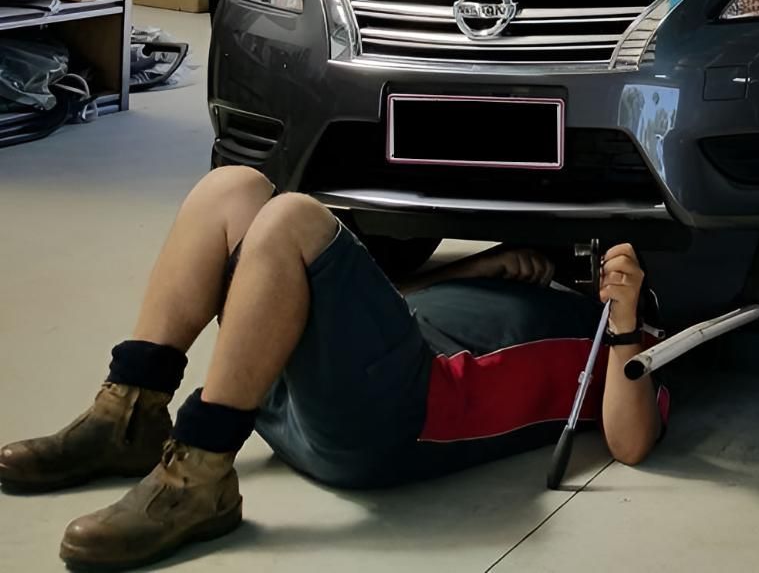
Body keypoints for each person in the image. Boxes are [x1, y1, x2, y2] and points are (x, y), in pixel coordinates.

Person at [0, 168, 664, 569]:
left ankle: (198, 472)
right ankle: (129, 415)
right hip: (293, 398)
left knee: (291, 215)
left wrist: (628, 320)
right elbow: (311, 299)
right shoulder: (518, 281)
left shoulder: (621, 348)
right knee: (235, 187)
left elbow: (629, 441)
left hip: (396, 415)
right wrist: (474, 266)